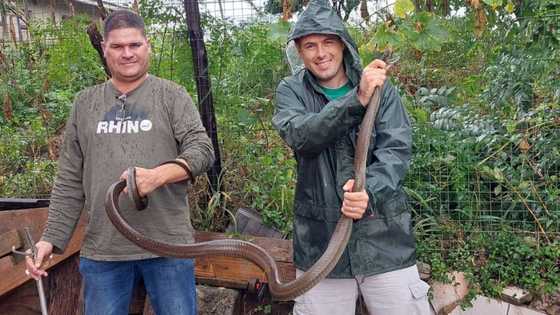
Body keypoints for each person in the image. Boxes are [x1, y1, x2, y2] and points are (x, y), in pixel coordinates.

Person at [24, 10, 214, 315]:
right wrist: (51, 239)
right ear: (104, 49)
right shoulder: (85, 104)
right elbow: (70, 180)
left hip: (168, 246)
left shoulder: (171, 96)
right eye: (117, 46)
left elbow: (202, 148)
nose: (127, 54)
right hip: (104, 252)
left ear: (147, 45)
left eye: (134, 45)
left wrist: (159, 176)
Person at [272, 1, 431, 314]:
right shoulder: (290, 91)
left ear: (343, 44)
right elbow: (302, 136)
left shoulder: (382, 90)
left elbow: (396, 149)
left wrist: (368, 191)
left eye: (328, 42)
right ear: (300, 52)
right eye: (310, 46)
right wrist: (356, 99)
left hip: (385, 241)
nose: (321, 53)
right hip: (321, 246)